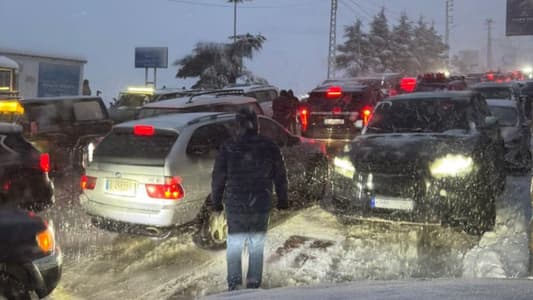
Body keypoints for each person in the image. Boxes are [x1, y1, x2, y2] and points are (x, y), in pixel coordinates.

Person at [210, 107, 289, 291]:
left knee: (235, 243)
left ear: (238, 125)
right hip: (260, 203)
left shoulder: (228, 146)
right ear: (257, 125)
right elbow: (280, 175)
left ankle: (234, 284)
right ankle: (253, 284)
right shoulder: (269, 146)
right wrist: (283, 199)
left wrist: (216, 202)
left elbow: (218, 177)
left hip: (236, 203)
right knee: (256, 243)